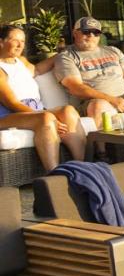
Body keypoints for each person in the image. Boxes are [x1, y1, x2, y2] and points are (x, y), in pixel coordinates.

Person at [0, 23, 85, 171]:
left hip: (34, 110)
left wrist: (62, 53)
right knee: (46, 119)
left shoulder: (20, 61)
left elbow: (37, 69)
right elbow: (11, 103)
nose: (20, 45)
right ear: (1, 42)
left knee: (68, 111)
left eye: (23, 41)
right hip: (8, 114)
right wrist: (45, 114)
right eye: (15, 40)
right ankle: (54, 174)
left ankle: (83, 167)